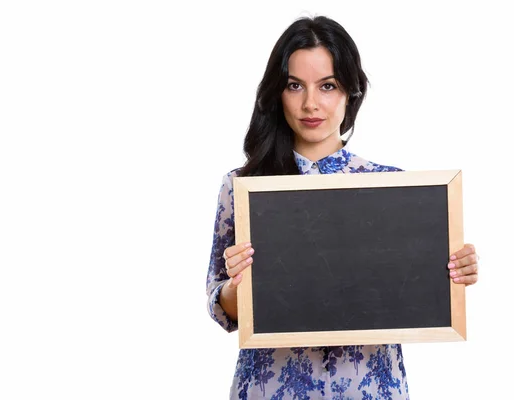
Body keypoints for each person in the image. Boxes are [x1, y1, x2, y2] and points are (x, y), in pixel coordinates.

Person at [205, 15, 480, 400]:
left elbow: (419, 292)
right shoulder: (244, 187)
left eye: (328, 86)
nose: (310, 103)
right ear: (277, 92)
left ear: (350, 92)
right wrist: (240, 285)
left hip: (367, 385)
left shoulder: (392, 187)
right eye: (294, 85)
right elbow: (220, 306)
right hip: (271, 387)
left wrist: (453, 269)